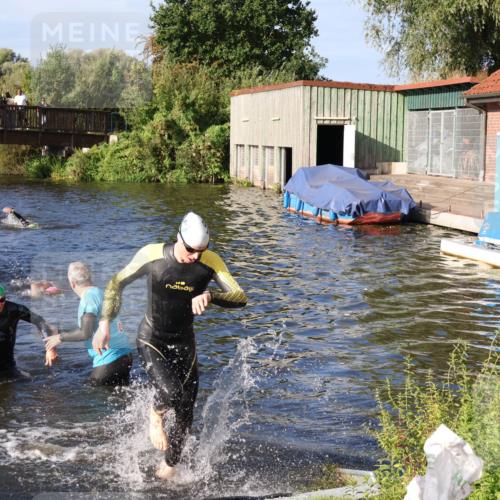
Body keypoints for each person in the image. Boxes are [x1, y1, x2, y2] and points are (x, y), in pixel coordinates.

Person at [93, 212, 247, 479]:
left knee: (187, 411)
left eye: (201, 250)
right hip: (152, 338)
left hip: (184, 340)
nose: (195, 256)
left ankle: (167, 469)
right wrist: (104, 323)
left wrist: (211, 295)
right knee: (172, 394)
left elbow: (240, 297)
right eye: (190, 249)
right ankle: (155, 416)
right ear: (178, 238)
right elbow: (116, 282)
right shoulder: (152, 255)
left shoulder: (210, 262)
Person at [44, 262, 133, 386]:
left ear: (72, 283)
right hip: (126, 356)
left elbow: (85, 333)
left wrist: (59, 338)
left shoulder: (88, 299)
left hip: (108, 360)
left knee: (94, 400)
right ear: (90, 278)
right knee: (120, 399)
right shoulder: (100, 292)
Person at [0, 285, 57, 379]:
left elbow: (40, 322)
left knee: (35, 381)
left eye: (1, 300)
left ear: (5, 299)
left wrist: (50, 347)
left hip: (7, 365)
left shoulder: (14, 309)